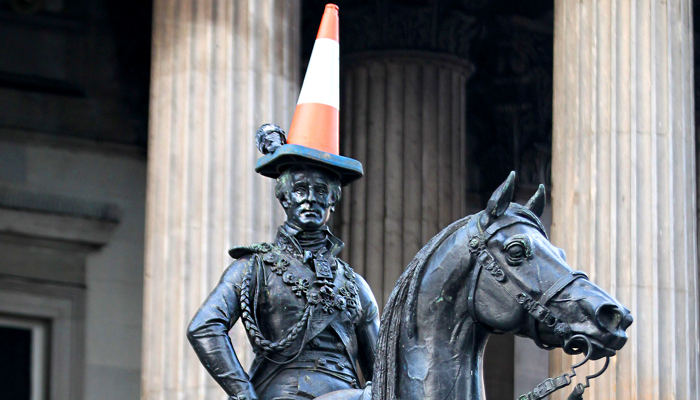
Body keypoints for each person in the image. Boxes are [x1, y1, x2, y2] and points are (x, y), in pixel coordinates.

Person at [187, 162, 379, 400]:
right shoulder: (254, 266)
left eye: (320, 191)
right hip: (287, 393)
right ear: (285, 198)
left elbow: (382, 370)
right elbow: (204, 327)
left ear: (332, 200)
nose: (310, 199)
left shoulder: (356, 285)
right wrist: (244, 393)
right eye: (300, 190)